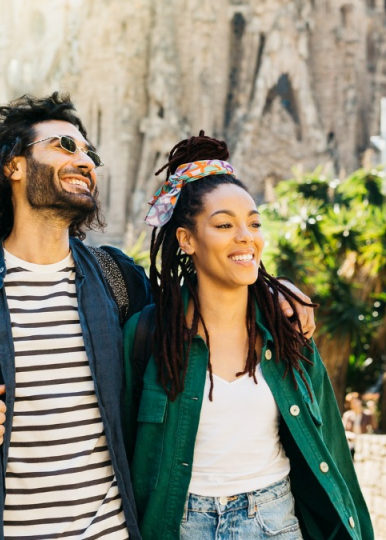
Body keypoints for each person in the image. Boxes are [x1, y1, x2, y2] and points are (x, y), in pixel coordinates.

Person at [0, 93, 315, 540]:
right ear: (13, 166)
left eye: (89, 152)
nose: (84, 159)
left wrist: (273, 292)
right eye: (64, 146)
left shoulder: (117, 279)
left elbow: (204, 304)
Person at [123, 133, 373, 540]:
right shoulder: (150, 336)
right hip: (180, 524)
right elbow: (124, 449)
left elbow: (330, 443)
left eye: (254, 222)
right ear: (187, 240)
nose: (246, 236)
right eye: (224, 224)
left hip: (273, 521)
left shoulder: (288, 329)